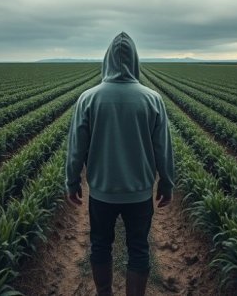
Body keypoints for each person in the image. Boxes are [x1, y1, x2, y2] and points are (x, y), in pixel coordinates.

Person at [65, 32, 175, 296]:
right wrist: (167, 183)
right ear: (136, 61)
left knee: (100, 245)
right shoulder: (152, 99)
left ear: (107, 61)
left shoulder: (88, 98)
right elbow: (164, 148)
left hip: (102, 193)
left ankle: (104, 292)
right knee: (139, 247)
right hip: (139, 193)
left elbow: (76, 147)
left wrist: (72, 182)